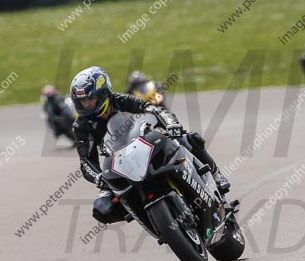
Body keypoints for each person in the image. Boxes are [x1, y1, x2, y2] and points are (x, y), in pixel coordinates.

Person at [70, 66, 230, 225]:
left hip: (147, 144)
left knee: (190, 139)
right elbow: (86, 161)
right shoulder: (81, 126)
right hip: (119, 163)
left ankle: (216, 175)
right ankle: (148, 217)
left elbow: (154, 110)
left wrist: (171, 125)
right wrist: (98, 176)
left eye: (90, 99)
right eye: (82, 101)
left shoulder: (122, 101)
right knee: (101, 207)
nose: (86, 104)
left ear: (103, 94)